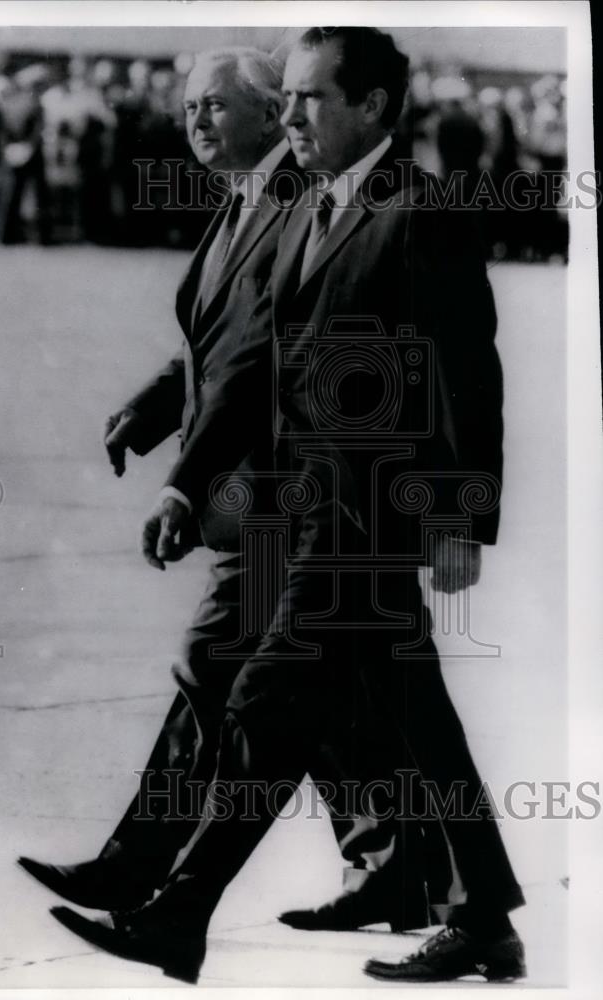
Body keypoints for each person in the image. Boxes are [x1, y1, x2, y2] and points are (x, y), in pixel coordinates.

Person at [48, 27, 526, 985]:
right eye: (292, 98)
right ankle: (484, 919)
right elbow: (251, 372)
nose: (293, 116)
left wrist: (460, 520)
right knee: (416, 716)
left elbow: (470, 377)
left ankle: (178, 918)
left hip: (373, 521)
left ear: (375, 108)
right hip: (309, 511)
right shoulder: (311, 211)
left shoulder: (418, 212)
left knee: (269, 702)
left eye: (311, 98)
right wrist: (187, 479)